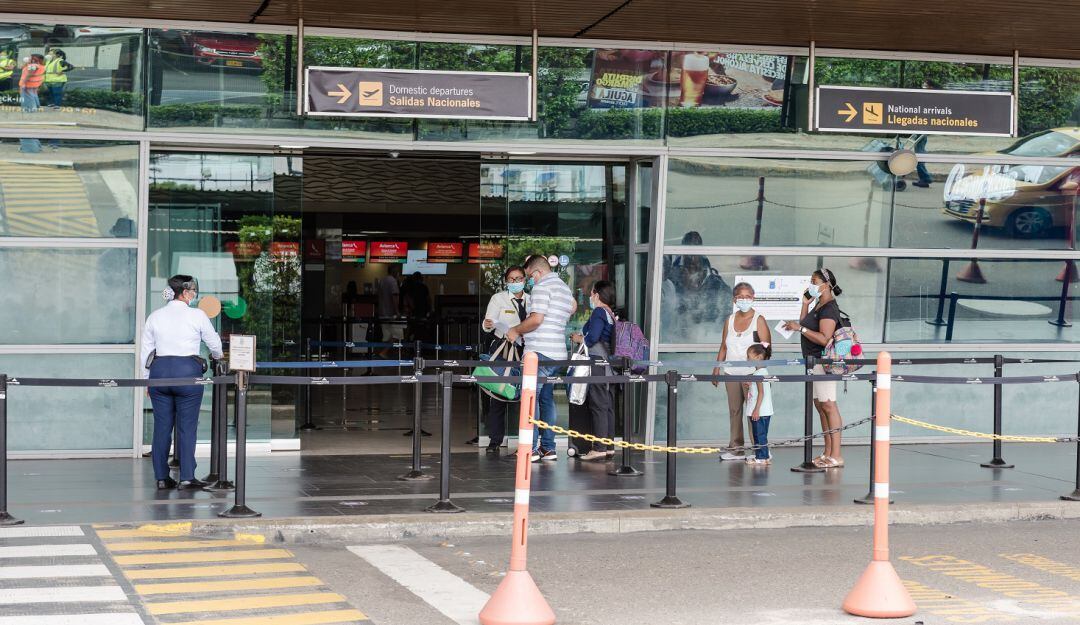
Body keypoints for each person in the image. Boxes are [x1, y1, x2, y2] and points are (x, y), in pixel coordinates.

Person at [140, 275, 224, 490]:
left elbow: (146, 351)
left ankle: (161, 477)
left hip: (159, 373)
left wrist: (147, 380)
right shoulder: (197, 315)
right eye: (193, 291)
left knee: (161, 427)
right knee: (187, 427)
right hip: (187, 372)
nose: (194, 294)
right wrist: (218, 356)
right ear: (185, 293)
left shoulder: (155, 316)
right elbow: (214, 343)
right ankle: (187, 477)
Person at [507, 255, 574, 463]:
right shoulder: (564, 288)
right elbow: (572, 307)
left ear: (537, 272)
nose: (530, 281)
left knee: (530, 398)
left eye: (529, 276)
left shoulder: (542, 287)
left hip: (539, 352)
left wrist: (516, 330)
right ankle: (548, 448)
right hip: (557, 353)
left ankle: (531, 449)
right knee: (546, 399)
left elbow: (536, 319)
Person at [784, 268, 845, 468]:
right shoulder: (819, 304)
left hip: (823, 362)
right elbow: (804, 324)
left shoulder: (829, 308)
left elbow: (824, 338)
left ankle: (836, 455)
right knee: (820, 406)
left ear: (826, 285)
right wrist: (805, 304)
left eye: (814, 281)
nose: (810, 284)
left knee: (829, 405)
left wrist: (800, 328)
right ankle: (827, 452)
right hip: (813, 362)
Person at [712, 282, 772, 461]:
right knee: (735, 410)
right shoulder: (729, 320)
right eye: (740, 296)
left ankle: (759, 449)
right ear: (734, 299)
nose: (744, 299)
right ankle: (736, 449)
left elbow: (766, 348)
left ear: (753, 298)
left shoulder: (759, 320)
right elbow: (724, 346)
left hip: (752, 374)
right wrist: (716, 368)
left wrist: (758, 373)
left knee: (754, 412)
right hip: (731, 373)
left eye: (747, 296)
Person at [480, 265, 529, 453]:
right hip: (502, 349)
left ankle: (525, 442)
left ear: (525, 279)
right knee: (498, 393)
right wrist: (488, 324)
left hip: (525, 350)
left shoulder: (532, 300)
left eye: (518, 278)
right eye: (511, 279)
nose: (515, 282)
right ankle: (495, 440)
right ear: (506, 281)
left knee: (525, 395)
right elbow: (488, 324)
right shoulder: (498, 298)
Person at [570, 280, 617, 462]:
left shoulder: (599, 312)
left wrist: (579, 339)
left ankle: (599, 448)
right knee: (607, 407)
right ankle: (609, 447)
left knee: (598, 406)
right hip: (608, 366)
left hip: (597, 364)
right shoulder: (610, 314)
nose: (590, 296)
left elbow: (593, 338)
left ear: (597, 295)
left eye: (591, 293)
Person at [743, 343, 775, 466]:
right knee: (761, 435)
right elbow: (762, 389)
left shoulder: (758, 374)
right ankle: (762, 456)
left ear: (758, 357)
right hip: (765, 411)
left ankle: (762, 458)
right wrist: (751, 384)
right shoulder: (763, 372)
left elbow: (761, 393)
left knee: (759, 435)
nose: (747, 359)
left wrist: (756, 410)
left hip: (760, 412)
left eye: (749, 356)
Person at [376, 264, 403, 356]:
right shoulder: (393, 281)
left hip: (382, 312)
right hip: (390, 314)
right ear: (394, 272)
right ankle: (383, 352)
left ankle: (383, 352)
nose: (399, 273)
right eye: (398, 271)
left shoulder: (382, 280)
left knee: (386, 336)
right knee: (397, 334)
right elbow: (394, 297)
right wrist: (397, 312)